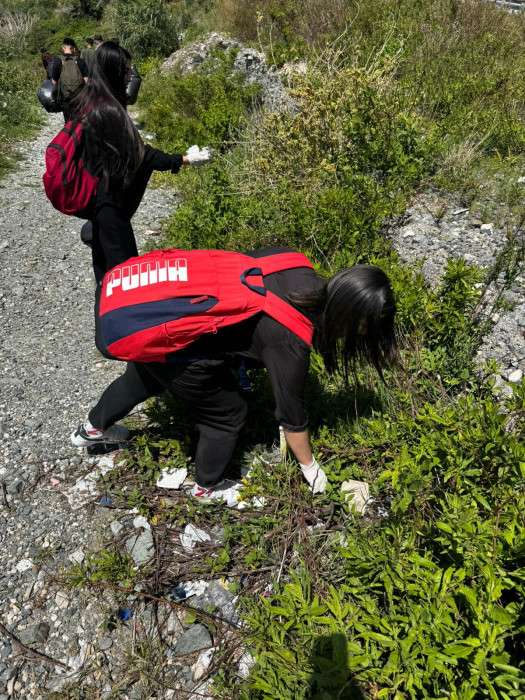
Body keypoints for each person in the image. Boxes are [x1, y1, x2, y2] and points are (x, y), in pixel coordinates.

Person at [71, 250, 397, 502]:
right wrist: (311, 469)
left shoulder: (294, 262)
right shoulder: (290, 343)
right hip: (187, 351)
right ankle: (207, 486)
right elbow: (292, 418)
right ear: (351, 319)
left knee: (142, 378)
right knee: (227, 416)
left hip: (167, 321)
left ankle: (91, 429)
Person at [70, 41, 210, 282]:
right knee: (126, 277)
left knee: (105, 274)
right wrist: (184, 159)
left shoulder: (90, 101)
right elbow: (143, 156)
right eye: (125, 70)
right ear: (113, 72)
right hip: (111, 206)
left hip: (99, 201)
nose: (129, 76)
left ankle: (103, 303)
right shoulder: (110, 111)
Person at [49, 37, 88, 121]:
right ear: (73, 48)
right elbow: (86, 80)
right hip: (79, 97)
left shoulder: (58, 61)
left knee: (68, 120)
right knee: (81, 120)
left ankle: (69, 127)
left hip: (65, 97)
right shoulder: (80, 61)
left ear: (63, 48)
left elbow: (54, 81)